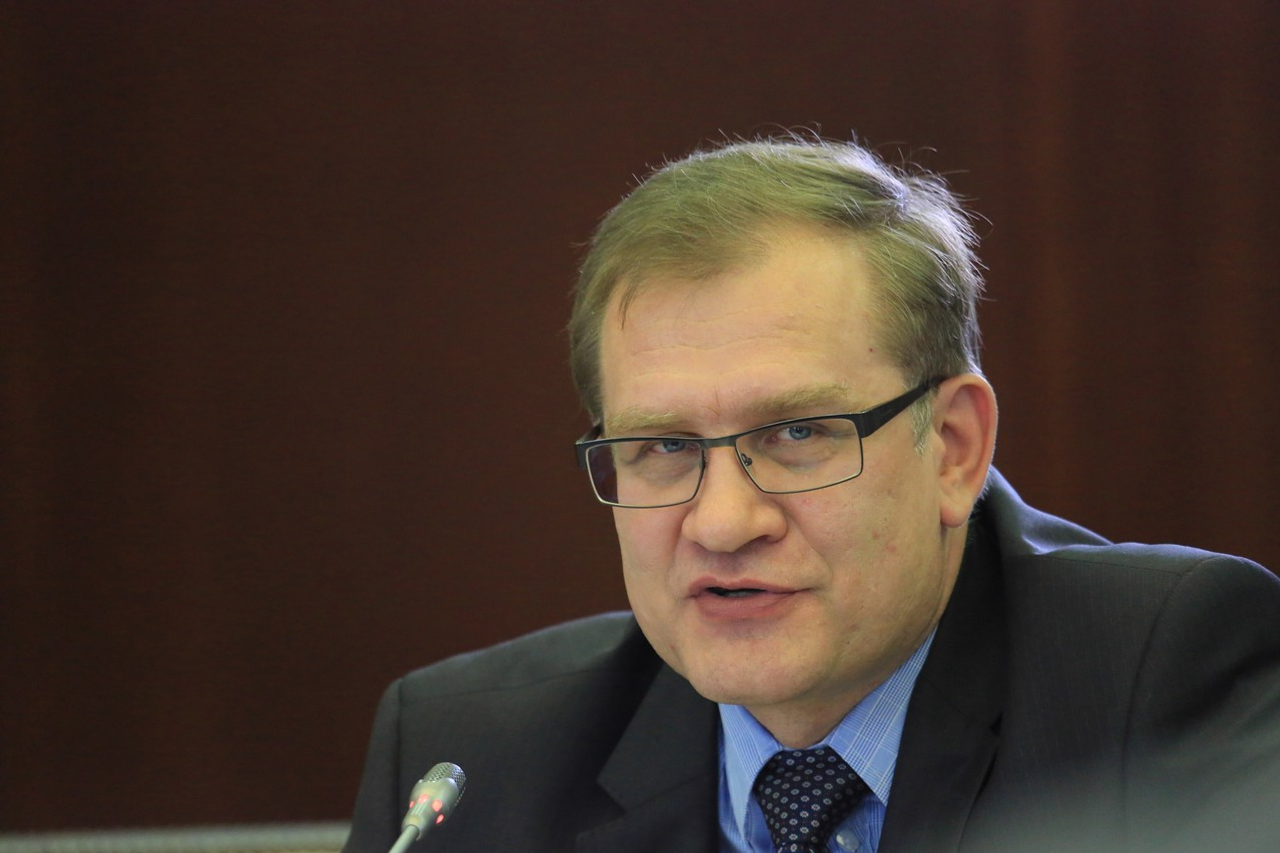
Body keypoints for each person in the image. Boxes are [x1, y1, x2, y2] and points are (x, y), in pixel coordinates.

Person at [340, 137, 1280, 852]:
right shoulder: (467, 761)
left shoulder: (1161, 679)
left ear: (954, 449)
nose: (722, 523)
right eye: (665, 446)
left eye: (796, 434)